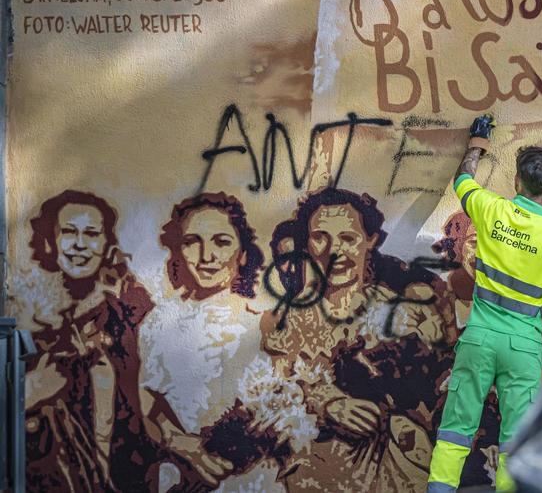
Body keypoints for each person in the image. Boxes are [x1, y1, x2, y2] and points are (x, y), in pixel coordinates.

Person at [427, 116, 542, 493]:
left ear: (516, 181)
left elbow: (463, 181)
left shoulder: (491, 210)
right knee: (515, 440)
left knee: (456, 431)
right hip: (524, 347)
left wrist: (478, 142)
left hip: (479, 337)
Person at [260, 188, 441, 492]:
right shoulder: (290, 319)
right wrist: (326, 402)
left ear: (369, 240)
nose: (335, 251)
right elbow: (277, 388)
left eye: (348, 238)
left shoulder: (400, 312)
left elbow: (431, 393)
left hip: (397, 466)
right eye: (321, 237)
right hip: (319, 469)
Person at [138, 192, 287, 491]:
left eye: (222, 241)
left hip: (254, 480)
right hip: (182, 479)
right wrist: (180, 443)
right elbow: (146, 404)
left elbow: (289, 399)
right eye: (193, 241)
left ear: (242, 252)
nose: (207, 256)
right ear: (179, 250)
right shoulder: (159, 322)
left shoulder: (264, 320)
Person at [23, 190, 155, 492]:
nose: (80, 244)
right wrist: (32, 389)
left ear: (106, 243)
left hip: (122, 474)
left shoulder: (122, 314)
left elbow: (136, 396)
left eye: (91, 233)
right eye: (68, 231)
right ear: (51, 241)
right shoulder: (34, 319)